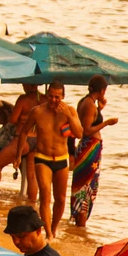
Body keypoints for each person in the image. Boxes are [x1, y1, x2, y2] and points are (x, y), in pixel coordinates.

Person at [15, 81, 81, 234]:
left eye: (57, 97)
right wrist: (18, 155)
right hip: (42, 157)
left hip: (61, 158)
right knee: (45, 195)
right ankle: (48, 234)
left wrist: (68, 117)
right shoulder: (37, 112)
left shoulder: (70, 110)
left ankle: (54, 228)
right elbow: (24, 132)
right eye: (50, 96)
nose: (53, 100)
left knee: (61, 199)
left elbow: (79, 133)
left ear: (63, 96)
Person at [70, 76, 116, 228]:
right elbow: (87, 130)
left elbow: (88, 121)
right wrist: (106, 123)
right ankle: (80, 228)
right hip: (89, 148)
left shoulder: (87, 102)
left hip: (88, 148)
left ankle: (79, 226)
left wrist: (100, 110)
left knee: (83, 187)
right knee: (85, 189)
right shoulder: (89, 105)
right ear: (102, 90)